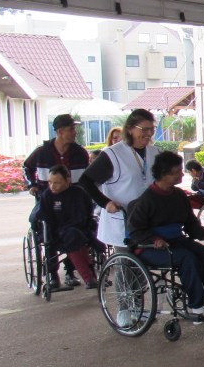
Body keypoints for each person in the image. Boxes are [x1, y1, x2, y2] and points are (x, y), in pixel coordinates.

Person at [126, 152, 204, 317]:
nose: (182, 174)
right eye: (177, 172)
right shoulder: (146, 200)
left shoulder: (179, 195)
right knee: (187, 258)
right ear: (164, 174)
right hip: (148, 247)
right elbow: (135, 230)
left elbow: (190, 223)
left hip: (176, 240)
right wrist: (154, 239)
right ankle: (197, 304)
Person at [24, 113, 91, 285]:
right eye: (71, 129)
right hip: (48, 203)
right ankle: (52, 274)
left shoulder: (80, 153)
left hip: (74, 203)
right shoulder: (42, 152)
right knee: (48, 231)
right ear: (60, 131)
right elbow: (26, 167)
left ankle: (70, 271)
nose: (75, 132)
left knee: (76, 231)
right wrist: (32, 184)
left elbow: (88, 176)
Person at [80, 109, 161, 247]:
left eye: (152, 129)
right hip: (122, 221)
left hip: (149, 221)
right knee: (125, 259)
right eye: (144, 129)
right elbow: (85, 181)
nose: (149, 133)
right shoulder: (113, 154)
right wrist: (105, 203)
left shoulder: (155, 152)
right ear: (130, 129)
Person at [34, 164, 101, 290]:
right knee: (66, 238)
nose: (52, 186)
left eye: (57, 183)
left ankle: (86, 276)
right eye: (50, 182)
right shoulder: (47, 195)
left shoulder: (79, 193)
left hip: (78, 229)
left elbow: (85, 215)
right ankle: (57, 275)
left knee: (75, 236)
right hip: (54, 232)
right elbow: (43, 217)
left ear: (68, 180)